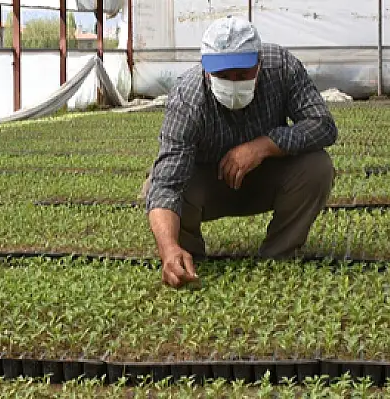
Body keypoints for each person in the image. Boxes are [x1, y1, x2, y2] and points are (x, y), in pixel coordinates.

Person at [143, 16, 338, 288]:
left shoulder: (281, 67)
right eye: (223, 76)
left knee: (317, 166)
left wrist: (263, 146)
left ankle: (279, 254)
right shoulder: (188, 97)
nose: (233, 83)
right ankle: (186, 258)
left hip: (265, 177)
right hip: (208, 186)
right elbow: (166, 185)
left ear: (259, 63)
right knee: (158, 183)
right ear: (205, 70)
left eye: (242, 74)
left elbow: (323, 125)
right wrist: (167, 249)